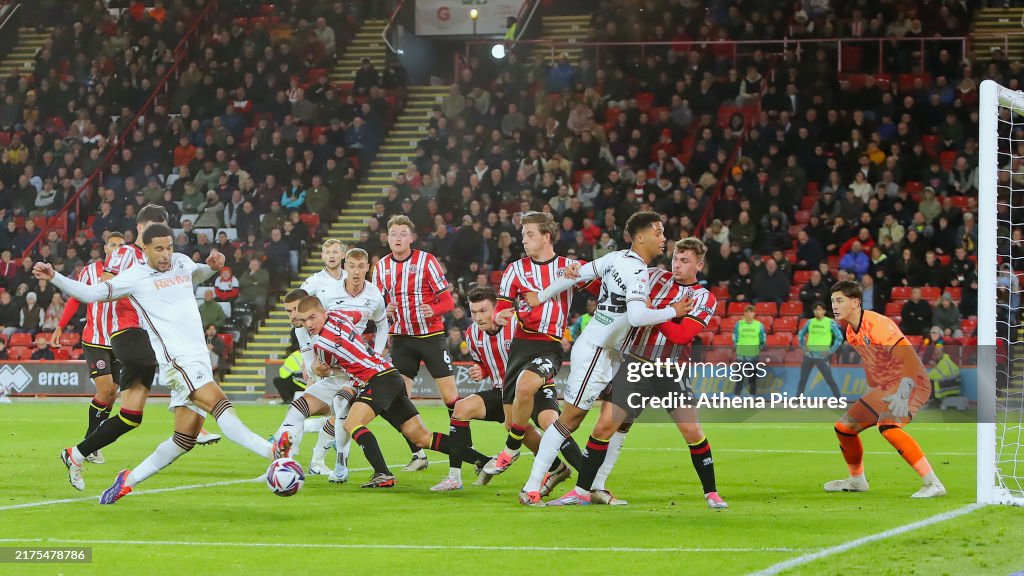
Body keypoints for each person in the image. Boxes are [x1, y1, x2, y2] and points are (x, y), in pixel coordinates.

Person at [35, 224, 288, 504]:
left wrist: (212, 267)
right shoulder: (135, 277)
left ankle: (126, 481)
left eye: (169, 246)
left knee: (183, 440)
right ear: (143, 249)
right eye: (159, 248)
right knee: (221, 405)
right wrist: (55, 276)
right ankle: (273, 453)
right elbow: (92, 294)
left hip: (198, 358)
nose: (166, 253)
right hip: (177, 361)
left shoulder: (180, 262)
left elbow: (196, 274)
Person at [514, 212, 691, 505]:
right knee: (569, 420)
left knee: (621, 420)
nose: (663, 239)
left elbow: (575, 273)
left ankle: (596, 486)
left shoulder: (616, 257)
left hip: (610, 353)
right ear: (640, 236)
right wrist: (674, 311)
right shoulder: (636, 271)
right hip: (596, 352)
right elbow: (636, 316)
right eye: (658, 233)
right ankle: (531, 486)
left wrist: (542, 296)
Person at [548, 238, 727, 508]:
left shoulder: (704, 297)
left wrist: (651, 312)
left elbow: (682, 335)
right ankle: (581, 491)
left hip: (671, 371)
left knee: (692, 431)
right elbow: (612, 284)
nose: (677, 264)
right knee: (604, 427)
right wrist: (580, 271)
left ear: (699, 265)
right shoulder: (652, 275)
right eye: (676, 258)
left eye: (685, 261)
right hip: (635, 364)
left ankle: (711, 493)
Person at [296, 297, 453, 488]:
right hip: (388, 373)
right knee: (420, 436)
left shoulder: (321, 345)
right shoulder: (340, 315)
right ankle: (480, 459)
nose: (308, 324)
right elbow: (361, 314)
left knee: (352, 422)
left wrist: (315, 367)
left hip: (377, 379)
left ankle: (380, 473)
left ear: (323, 313)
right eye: (304, 321)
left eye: (312, 318)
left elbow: (326, 370)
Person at [480, 212, 586, 485]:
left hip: (549, 346)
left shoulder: (569, 267)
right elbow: (502, 308)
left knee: (527, 389)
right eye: (523, 234)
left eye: (529, 234)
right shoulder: (514, 269)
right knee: (520, 421)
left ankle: (511, 450)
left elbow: (598, 276)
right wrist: (499, 317)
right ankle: (572, 472)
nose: (523, 240)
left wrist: (586, 272)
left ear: (546, 236)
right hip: (520, 347)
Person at [431, 285, 569, 492]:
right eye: (474, 312)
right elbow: (485, 364)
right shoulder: (471, 334)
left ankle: (585, 479)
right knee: (461, 409)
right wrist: (482, 371)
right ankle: (454, 477)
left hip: (532, 387)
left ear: (497, 308)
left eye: (483, 310)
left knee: (549, 424)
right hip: (501, 391)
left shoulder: (517, 324)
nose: (477, 317)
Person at [825, 280, 945, 498]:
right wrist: (873, 393)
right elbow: (872, 364)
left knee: (888, 426)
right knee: (844, 428)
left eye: (840, 300)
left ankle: (933, 484)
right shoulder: (851, 332)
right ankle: (856, 481)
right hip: (887, 385)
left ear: (855, 302)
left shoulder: (878, 324)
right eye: (833, 301)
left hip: (912, 382)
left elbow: (908, 357)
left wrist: (902, 393)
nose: (834, 305)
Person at [372, 215, 457, 472]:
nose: (397, 237)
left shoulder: (426, 261)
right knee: (400, 398)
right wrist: (386, 309)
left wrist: (433, 309)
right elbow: (375, 307)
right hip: (401, 339)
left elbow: (448, 303)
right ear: (387, 238)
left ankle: (463, 450)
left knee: (450, 398)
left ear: (411, 238)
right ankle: (418, 454)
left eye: (402, 233)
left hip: (430, 337)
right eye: (393, 233)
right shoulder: (380, 268)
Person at [51, 232, 126, 465]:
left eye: (120, 246)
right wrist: (61, 327)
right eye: (112, 245)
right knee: (105, 391)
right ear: (105, 248)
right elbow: (75, 298)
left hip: (120, 339)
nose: (116, 249)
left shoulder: (132, 273)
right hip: (94, 339)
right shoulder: (90, 271)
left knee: (112, 394)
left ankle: (91, 444)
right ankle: (89, 444)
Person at [795, 303, 844, 397]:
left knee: (829, 379)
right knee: (803, 379)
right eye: (816, 309)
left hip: (822, 355)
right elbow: (801, 335)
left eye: (820, 309)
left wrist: (830, 351)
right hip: (809, 355)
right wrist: (803, 347)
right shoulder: (810, 322)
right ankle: (797, 401)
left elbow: (839, 338)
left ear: (824, 311)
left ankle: (840, 400)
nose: (817, 311)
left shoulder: (830, 322)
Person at [732, 305, 765, 396]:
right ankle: (737, 396)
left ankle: (752, 396)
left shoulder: (759, 325)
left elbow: (762, 339)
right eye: (747, 312)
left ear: (754, 313)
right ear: (744, 313)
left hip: (753, 355)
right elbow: (735, 336)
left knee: (752, 378)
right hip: (741, 355)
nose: (749, 314)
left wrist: (758, 348)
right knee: (739, 377)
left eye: (751, 312)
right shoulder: (739, 324)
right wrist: (737, 346)